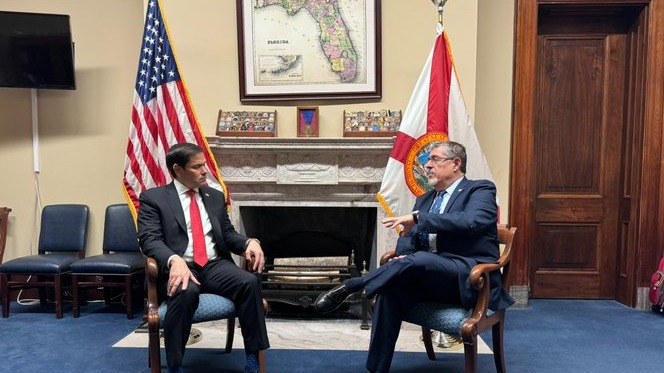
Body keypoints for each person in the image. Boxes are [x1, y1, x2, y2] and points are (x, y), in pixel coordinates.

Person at [314, 140, 514, 373]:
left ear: (456, 163)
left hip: (469, 278)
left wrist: (419, 220)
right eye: (427, 160)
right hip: (429, 277)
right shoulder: (425, 200)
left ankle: (353, 285)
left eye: (434, 159)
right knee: (390, 292)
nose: (427, 165)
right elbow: (409, 239)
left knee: (420, 260)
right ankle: (376, 369)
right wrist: (403, 256)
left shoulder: (480, 189)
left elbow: (472, 222)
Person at [137, 142, 269, 373]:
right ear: (178, 170)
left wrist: (250, 241)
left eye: (204, 165)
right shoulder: (153, 199)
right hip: (181, 265)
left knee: (249, 282)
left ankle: (252, 357)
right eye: (197, 167)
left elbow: (227, 234)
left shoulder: (214, 196)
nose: (205, 170)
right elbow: (149, 239)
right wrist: (173, 260)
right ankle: (175, 364)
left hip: (214, 264)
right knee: (184, 291)